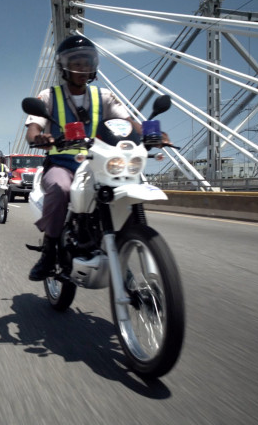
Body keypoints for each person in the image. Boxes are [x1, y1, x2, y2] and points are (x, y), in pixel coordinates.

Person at [24, 35, 169, 281]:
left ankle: (118, 246)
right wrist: (39, 138)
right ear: (64, 66)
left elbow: (129, 122)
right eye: (76, 63)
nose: (82, 68)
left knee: (124, 188)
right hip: (63, 163)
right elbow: (33, 128)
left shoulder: (104, 96)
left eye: (87, 62)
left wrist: (152, 135)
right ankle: (49, 252)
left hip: (98, 164)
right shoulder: (49, 96)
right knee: (60, 188)